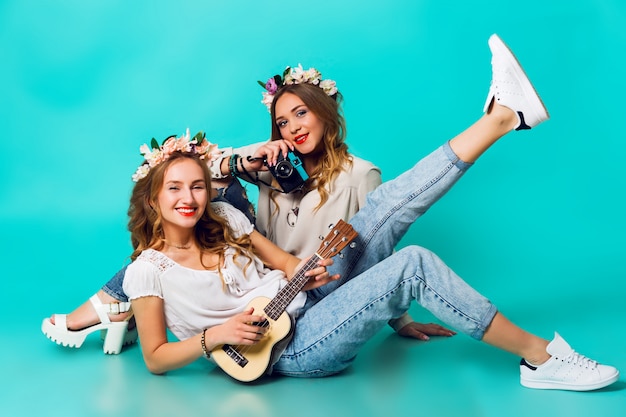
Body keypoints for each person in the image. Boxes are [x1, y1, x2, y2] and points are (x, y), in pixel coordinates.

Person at [100, 34, 621, 390]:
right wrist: (214, 337)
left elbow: (284, 265)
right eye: (174, 189)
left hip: (306, 299)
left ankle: (502, 116)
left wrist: (310, 273)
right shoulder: (148, 269)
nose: (190, 198)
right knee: (413, 262)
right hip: (287, 350)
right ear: (153, 198)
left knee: (386, 205)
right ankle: (541, 358)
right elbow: (156, 358)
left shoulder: (228, 222)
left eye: (196, 188)